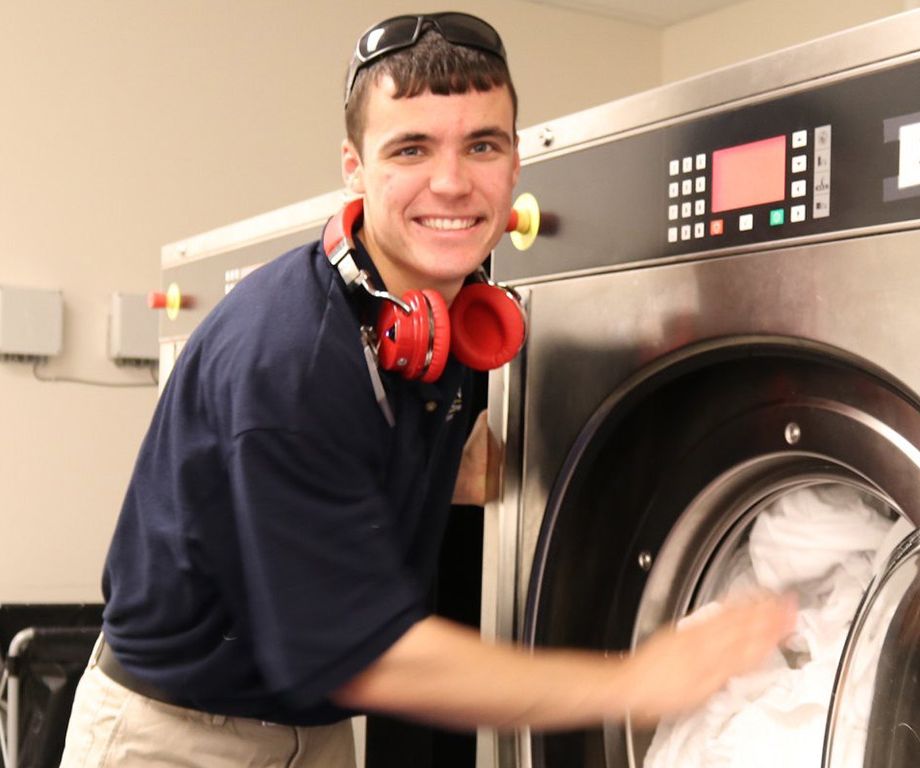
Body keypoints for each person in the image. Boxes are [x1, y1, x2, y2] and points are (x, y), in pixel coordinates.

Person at [59, 13, 793, 767]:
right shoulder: (292, 355)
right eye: (411, 148)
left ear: (514, 164)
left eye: (482, 145)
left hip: (312, 734)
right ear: (354, 167)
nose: (451, 181)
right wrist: (638, 680)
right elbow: (363, 654)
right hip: (176, 740)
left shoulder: (447, 322)